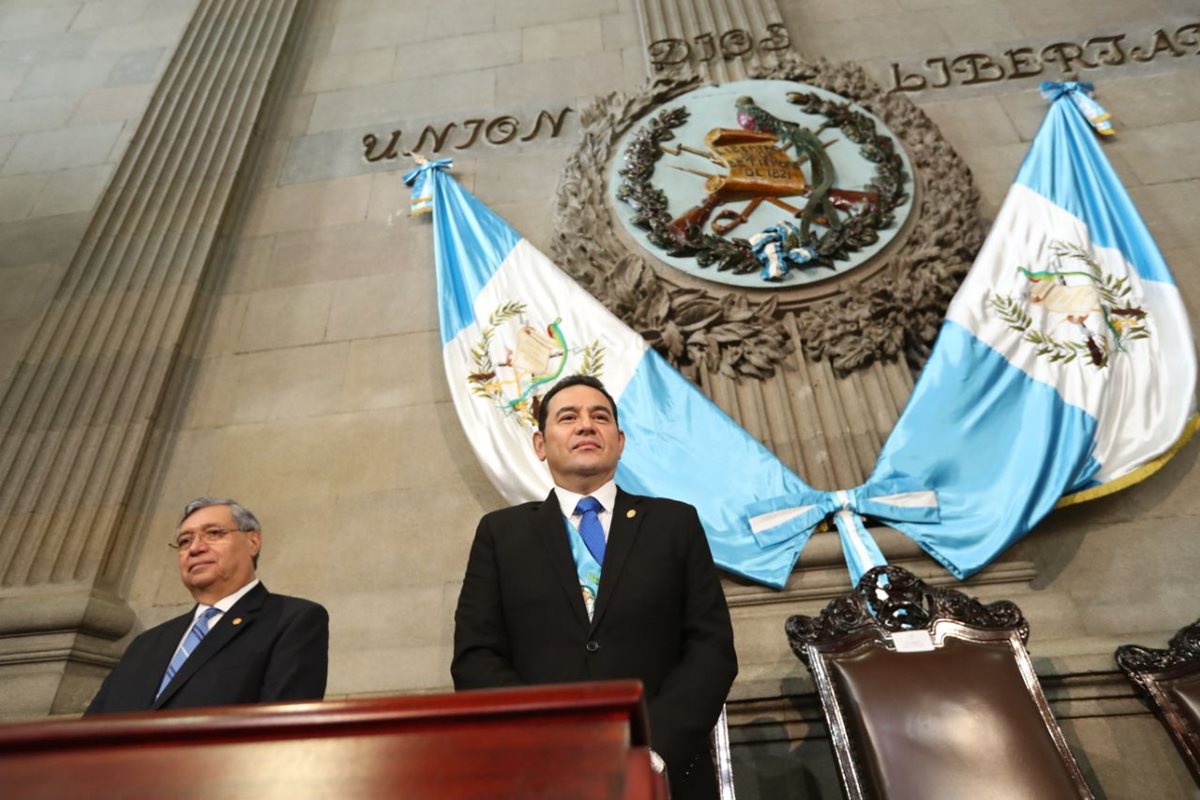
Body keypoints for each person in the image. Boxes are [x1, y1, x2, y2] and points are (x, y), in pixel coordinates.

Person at [452, 375, 737, 799]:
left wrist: (652, 748)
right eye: (568, 417)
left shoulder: (674, 524)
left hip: (663, 773)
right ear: (540, 444)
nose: (586, 425)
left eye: (599, 417)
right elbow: (476, 656)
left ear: (619, 441)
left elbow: (711, 648)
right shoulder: (501, 534)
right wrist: (549, 746)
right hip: (540, 776)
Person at [85, 497, 328, 715]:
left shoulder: (293, 621)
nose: (195, 548)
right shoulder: (146, 644)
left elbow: (280, 731)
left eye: (213, 533)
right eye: (184, 541)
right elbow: (88, 734)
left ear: (253, 541)